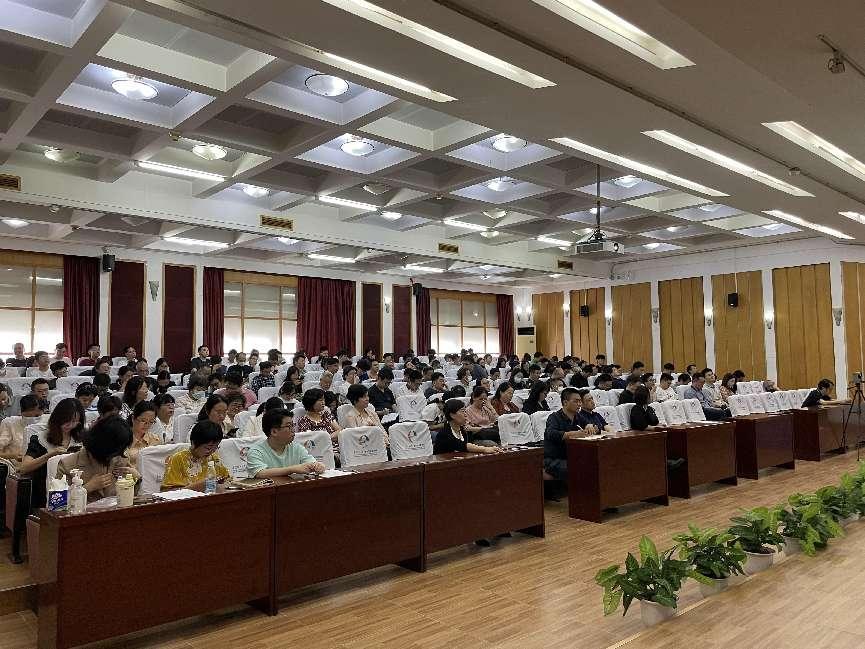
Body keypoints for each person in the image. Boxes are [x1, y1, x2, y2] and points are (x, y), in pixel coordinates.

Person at [19, 397, 86, 508]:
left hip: (76, 487)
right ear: (57, 418)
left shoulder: (82, 438)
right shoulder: (40, 438)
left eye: (74, 422)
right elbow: (23, 468)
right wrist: (50, 455)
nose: (69, 425)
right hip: (44, 491)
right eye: (66, 421)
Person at [55, 414, 138, 503]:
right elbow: (56, 502)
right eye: (115, 451)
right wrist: (88, 487)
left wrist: (136, 478)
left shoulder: (121, 458)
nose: (118, 455)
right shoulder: (67, 465)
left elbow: (135, 499)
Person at [247, 409, 325, 477]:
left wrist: (318, 466)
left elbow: (311, 463)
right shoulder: (256, 451)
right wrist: (292, 469)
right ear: (274, 432)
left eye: (293, 425)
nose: (293, 430)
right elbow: (260, 473)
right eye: (289, 426)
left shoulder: (297, 448)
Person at [161, 421, 230, 491]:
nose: (212, 451)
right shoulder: (178, 459)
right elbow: (166, 491)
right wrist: (195, 487)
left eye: (216, 447)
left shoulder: (213, 458)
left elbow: (227, 480)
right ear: (193, 443)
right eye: (208, 448)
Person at [544, 388, 585, 481]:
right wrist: (573, 434)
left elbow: (590, 424)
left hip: (571, 456)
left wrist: (590, 425)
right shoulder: (554, 417)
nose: (579, 404)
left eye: (580, 401)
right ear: (565, 402)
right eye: (576, 401)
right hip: (554, 459)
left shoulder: (578, 416)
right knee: (578, 467)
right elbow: (551, 434)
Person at [433, 399, 502, 455]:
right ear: (452, 415)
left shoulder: (462, 430)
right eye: (462, 411)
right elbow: (462, 445)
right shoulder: (444, 433)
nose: (465, 415)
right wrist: (485, 449)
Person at [0, 394, 41, 460]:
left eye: (37, 416)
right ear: (21, 413)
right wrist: (11, 455)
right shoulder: (10, 423)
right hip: (15, 463)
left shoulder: (47, 422)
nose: (33, 419)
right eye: (28, 416)